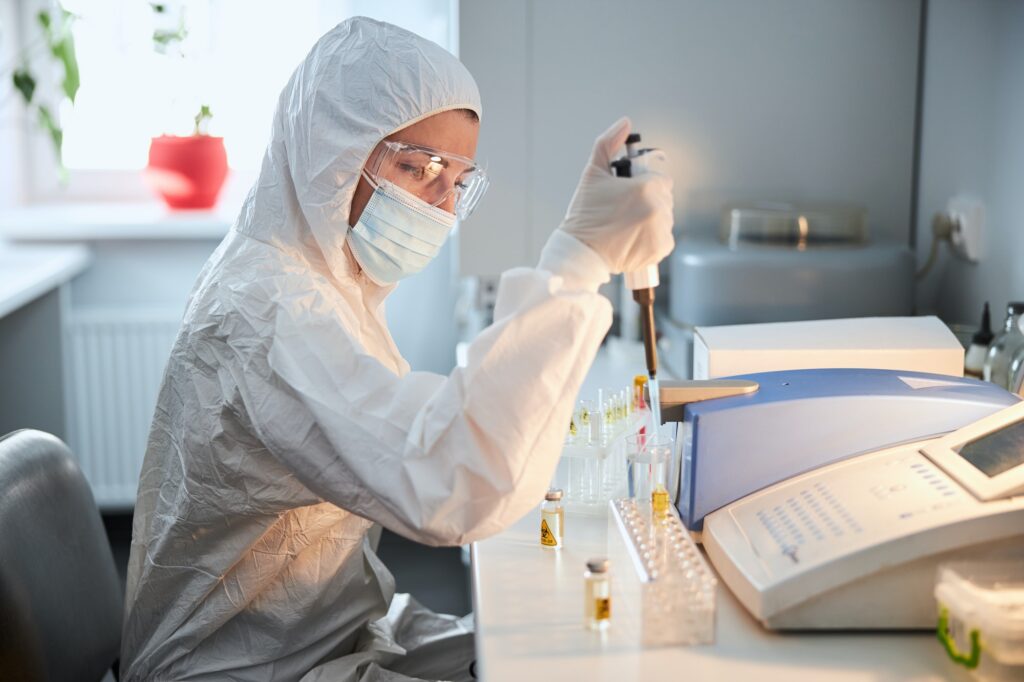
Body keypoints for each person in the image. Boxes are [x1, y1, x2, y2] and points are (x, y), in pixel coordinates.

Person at [120, 16, 674, 682]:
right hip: (241, 666)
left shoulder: (316, 281)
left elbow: (416, 436)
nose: (441, 204)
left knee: (530, 644)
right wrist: (576, 261)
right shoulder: (268, 311)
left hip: (320, 631)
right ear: (331, 154)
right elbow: (451, 484)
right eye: (420, 168)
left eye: (457, 180)